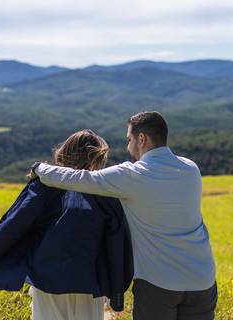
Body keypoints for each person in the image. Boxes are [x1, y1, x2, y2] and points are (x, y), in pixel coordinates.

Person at [29, 111, 217, 320]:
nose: (128, 147)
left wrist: (40, 168)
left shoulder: (133, 175)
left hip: (159, 283)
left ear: (142, 139)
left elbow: (81, 178)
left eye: (129, 140)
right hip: (203, 279)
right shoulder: (191, 169)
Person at [0, 129, 133, 320]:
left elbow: (12, 227)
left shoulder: (42, 187)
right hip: (89, 282)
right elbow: (118, 242)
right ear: (97, 158)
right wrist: (116, 292)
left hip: (46, 277)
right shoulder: (106, 194)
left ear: (65, 152)